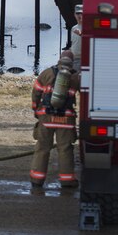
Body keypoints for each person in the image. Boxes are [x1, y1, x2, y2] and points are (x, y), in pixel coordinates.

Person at [29, 50, 80, 188]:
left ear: (59, 59)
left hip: (46, 117)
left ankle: (37, 180)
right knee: (65, 149)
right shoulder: (76, 77)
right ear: (72, 62)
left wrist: (35, 109)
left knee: (42, 148)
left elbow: (36, 92)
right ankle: (67, 180)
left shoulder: (47, 73)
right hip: (66, 119)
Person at [69, 4, 83, 72]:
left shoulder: (88, 27)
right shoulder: (73, 28)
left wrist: (81, 34)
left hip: (82, 59)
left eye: (82, 13)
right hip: (74, 59)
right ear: (74, 14)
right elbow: (73, 43)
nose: (80, 16)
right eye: (78, 13)